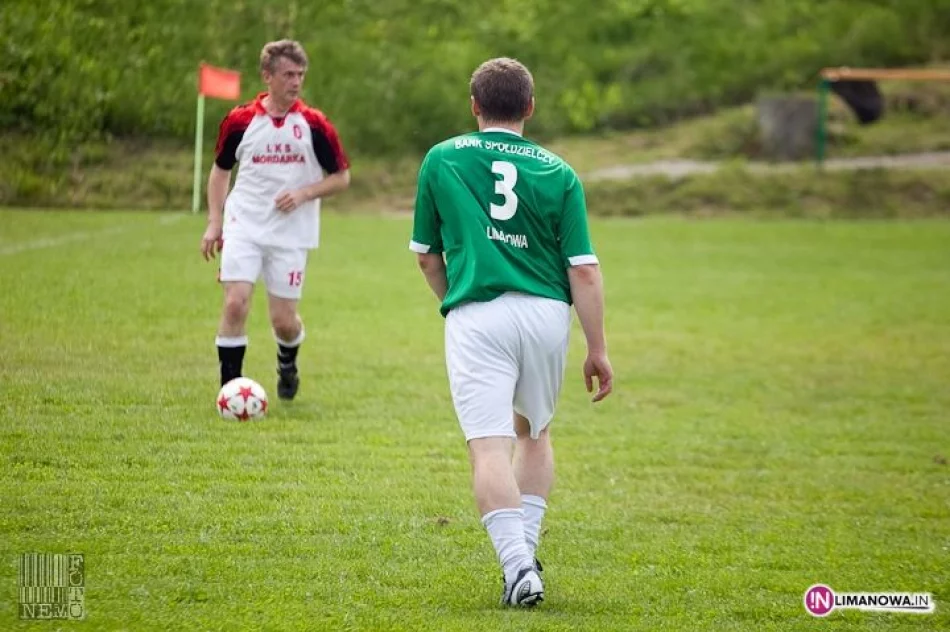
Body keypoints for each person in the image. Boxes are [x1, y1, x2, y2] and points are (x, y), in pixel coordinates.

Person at [409, 57, 613, 607]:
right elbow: (584, 270)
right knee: (534, 433)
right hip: (547, 314)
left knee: (488, 447)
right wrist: (596, 348)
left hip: (478, 313)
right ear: (530, 107)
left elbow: (428, 259)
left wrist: (458, 300)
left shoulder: (442, 159)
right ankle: (525, 558)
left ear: (474, 105)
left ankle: (518, 566)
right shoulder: (559, 171)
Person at [200, 39, 351, 399]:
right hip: (244, 226)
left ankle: (287, 361)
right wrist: (214, 221)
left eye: (300, 74)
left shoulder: (315, 125)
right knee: (235, 302)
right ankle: (231, 391)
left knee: (283, 321)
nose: (295, 82)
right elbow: (221, 171)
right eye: (288, 74)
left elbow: (341, 178)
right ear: (267, 76)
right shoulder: (240, 121)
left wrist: (302, 194)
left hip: (291, 233)